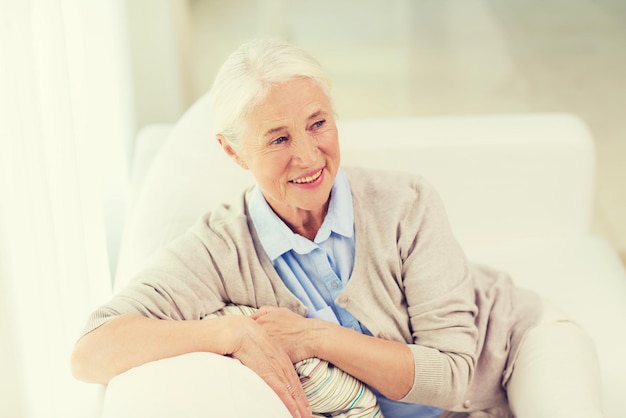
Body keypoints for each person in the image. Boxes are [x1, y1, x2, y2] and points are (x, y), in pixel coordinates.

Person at [71, 39, 604, 418]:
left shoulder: (406, 202)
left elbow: (454, 375)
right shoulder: (219, 249)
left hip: (516, 346)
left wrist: (312, 337)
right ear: (233, 152)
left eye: (318, 123)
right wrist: (229, 332)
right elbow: (91, 352)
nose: (309, 156)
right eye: (277, 139)